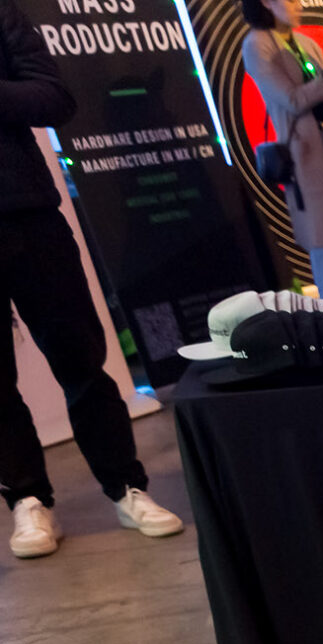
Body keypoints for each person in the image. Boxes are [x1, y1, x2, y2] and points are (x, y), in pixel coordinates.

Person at [0, 1, 183, 558]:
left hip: (28, 214)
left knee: (80, 359)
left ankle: (126, 487)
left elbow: (54, 97)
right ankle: (27, 499)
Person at [240, 0, 323, 320]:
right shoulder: (257, 44)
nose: (299, 4)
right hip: (308, 159)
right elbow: (292, 100)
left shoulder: (305, 43)